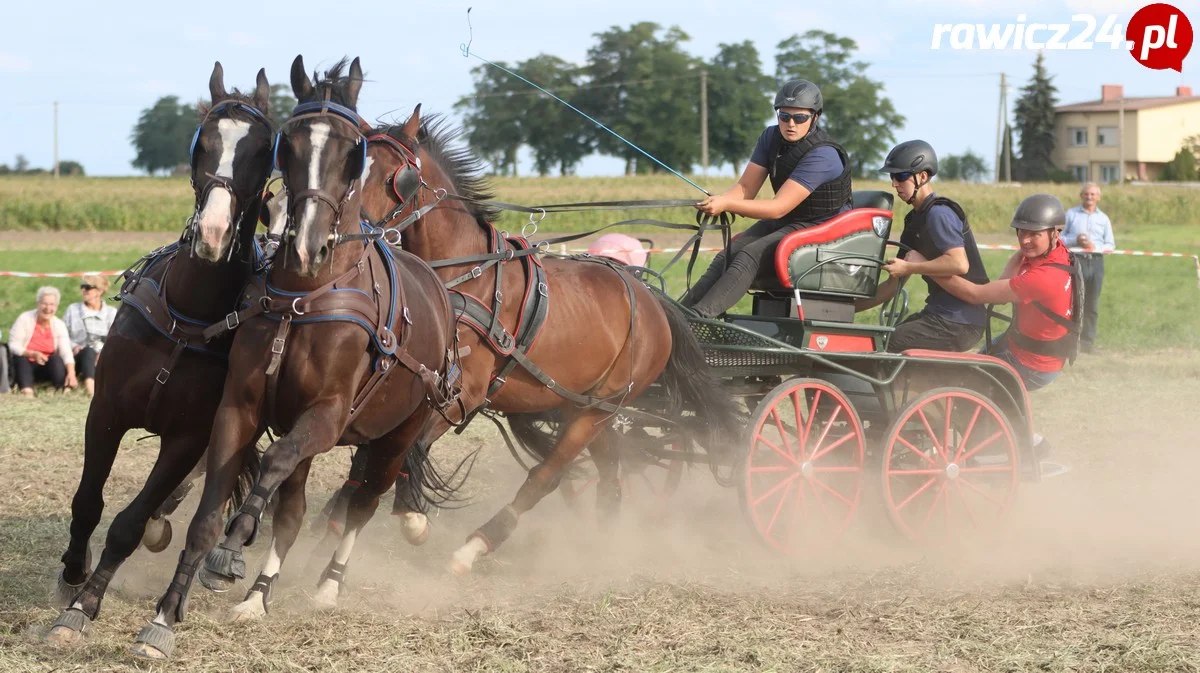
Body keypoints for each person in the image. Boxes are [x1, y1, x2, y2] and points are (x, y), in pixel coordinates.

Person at [680, 79, 853, 318]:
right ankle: (678, 313)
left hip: (823, 228)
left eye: (799, 118)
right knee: (728, 253)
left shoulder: (824, 155)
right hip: (791, 221)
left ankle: (699, 318)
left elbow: (778, 208)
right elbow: (746, 187)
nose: (790, 124)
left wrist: (727, 204)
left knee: (751, 254)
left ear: (815, 117)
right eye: (784, 116)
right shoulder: (770, 138)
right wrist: (720, 201)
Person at [912, 194, 1077, 392]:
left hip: (1033, 363)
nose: (1025, 240)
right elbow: (1002, 286)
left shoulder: (1043, 278)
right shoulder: (1057, 252)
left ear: (1055, 233)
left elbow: (975, 294)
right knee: (970, 372)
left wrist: (922, 266)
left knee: (965, 389)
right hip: (1021, 343)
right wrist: (1027, 249)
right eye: (1021, 232)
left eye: (1034, 234)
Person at [857, 140, 990, 353]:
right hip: (940, 315)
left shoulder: (939, 214)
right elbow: (892, 286)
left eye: (900, 176)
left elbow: (958, 263)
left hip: (959, 322)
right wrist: (844, 310)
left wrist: (911, 267)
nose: (894, 184)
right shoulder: (914, 220)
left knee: (886, 344)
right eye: (892, 177)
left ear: (923, 176)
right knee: (882, 340)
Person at [1061, 182, 1113, 353]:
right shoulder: (1071, 214)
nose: (1089, 197)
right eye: (1086, 194)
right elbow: (1060, 238)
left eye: (1093, 194)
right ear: (1081, 195)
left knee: (1092, 304)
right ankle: (1069, 343)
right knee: (1074, 302)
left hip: (1096, 262)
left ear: (1098, 197)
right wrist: (1076, 240)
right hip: (1077, 261)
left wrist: (1095, 247)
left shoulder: (1103, 219)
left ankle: (1087, 344)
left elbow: (1110, 245)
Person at [8, 286, 77, 396]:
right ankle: (27, 391)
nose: (48, 308)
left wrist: (71, 373)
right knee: (20, 358)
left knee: (56, 359)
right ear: (37, 304)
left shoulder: (59, 325)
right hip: (26, 364)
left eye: (52, 305)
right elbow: (13, 345)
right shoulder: (24, 318)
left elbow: (66, 352)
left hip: (46, 365)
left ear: (56, 307)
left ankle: (61, 388)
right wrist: (31, 353)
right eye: (44, 303)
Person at [63, 274, 118, 396]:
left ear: (99, 291)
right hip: (78, 355)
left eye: (88, 287)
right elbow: (63, 336)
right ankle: (91, 390)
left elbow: (115, 340)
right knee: (88, 351)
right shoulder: (72, 309)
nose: (83, 290)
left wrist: (103, 353)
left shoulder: (111, 313)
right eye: (82, 287)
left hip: (103, 356)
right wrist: (73, 346)